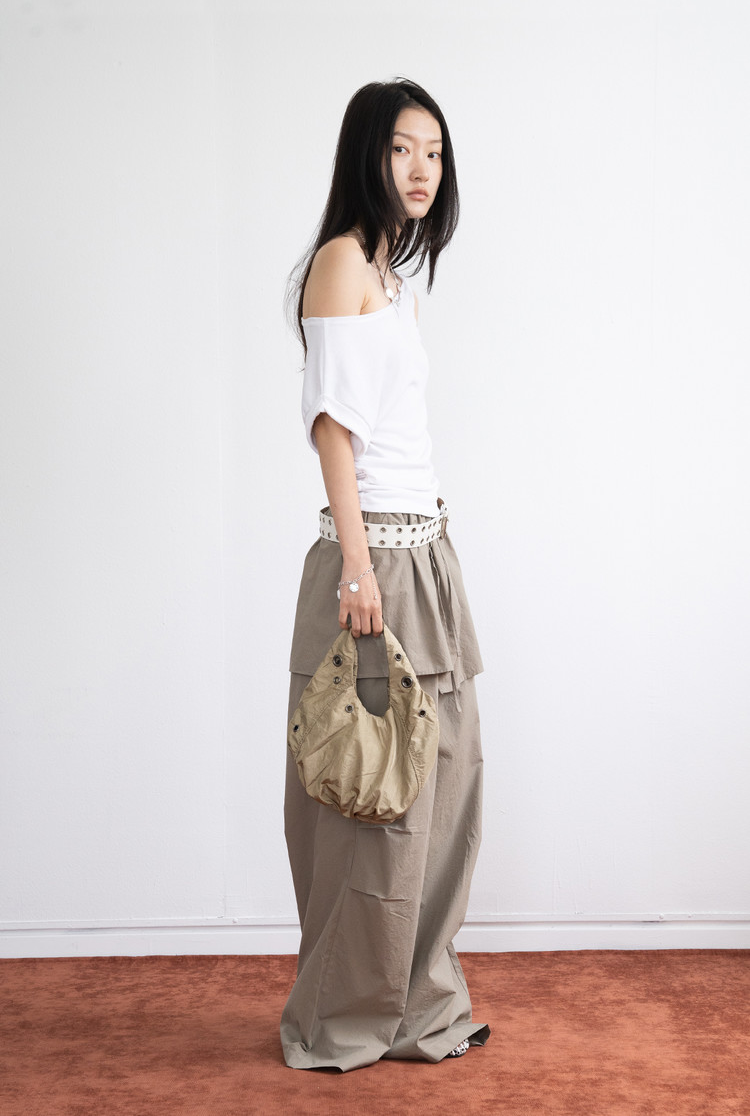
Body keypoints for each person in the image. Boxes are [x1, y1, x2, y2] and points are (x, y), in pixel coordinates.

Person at [281, 78, 490, 1072]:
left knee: (446, 788)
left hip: (425, 554)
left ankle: (417, 1003)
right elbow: (334, 430)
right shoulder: (339, 263)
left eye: (434, 153)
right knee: (374, 804)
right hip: (376, 564)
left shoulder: (388, 277)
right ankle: (343, 1017)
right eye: (404, 148)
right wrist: (359, 569)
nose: (421, 169)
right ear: (367, 153)